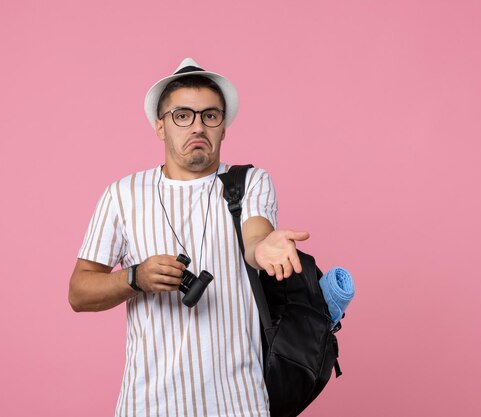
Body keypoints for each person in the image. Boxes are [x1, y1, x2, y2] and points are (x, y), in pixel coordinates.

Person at [68, 58, 310, 417]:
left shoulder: (250, 182)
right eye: (183, 115)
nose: (197, 125)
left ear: (223, 127)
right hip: (149, 404)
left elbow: (255, 238)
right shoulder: (122, 195)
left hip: (239, 403)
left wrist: (265, 248)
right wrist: (135, 278)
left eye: (210, 115)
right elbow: (78, 293)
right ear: (160, 126)